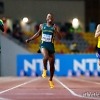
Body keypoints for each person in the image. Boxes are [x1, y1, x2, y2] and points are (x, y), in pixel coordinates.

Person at [26, 13, 61, 88]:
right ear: (46, 18)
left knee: (52, 64)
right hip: (43, 46)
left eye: (51, 17)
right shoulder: (42, 26)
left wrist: (56, 31)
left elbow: (60, 37)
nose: (50, 18)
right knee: (45, 57)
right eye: (48, 16)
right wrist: (30, 39)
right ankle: (44, 69)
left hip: (51, 47)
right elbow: (38, 34)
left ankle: (51, 80)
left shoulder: (54, 27)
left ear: (53, 19)